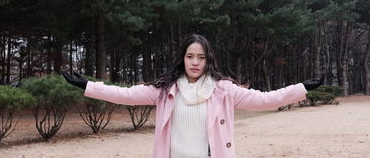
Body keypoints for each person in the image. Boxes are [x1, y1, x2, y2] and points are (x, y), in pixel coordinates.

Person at [63, 34, 324, 158]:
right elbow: (126, 94)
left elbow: (268, 99)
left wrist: (301, 88)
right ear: (183, 59)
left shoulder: (224, 90)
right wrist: (88, 86)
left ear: (208, 59)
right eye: (190, 56)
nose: (195, 62)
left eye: (201, 57)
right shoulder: (165, 90)